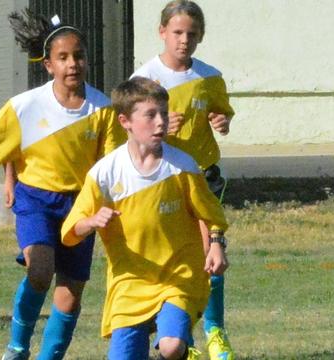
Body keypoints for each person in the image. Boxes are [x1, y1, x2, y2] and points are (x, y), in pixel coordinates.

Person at [0, 8, 125, 360]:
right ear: (48, 65)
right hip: (35, 199)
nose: (73, 63)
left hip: (80, 205)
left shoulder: (102, 110)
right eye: (63, 57)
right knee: (40, 270)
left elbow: (112, 166)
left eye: (79, 56)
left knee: (70, 293)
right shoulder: (25, 106)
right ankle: (17, 346)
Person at [61, 76, 229, 360]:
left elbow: (211, 213)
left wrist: (215, 244)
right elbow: (70, 230)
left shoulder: (182, 167)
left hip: (178, 275)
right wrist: (92, 221)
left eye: (163, 113)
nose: (161, 121)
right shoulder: (105, 172)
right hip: (130, 282)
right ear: (125, 121)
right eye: (150, 115)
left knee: (172, 345)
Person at [127, 2, 236, 357]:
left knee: (212, 253)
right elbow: (130, 136)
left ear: (200, 36)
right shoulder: (145, 79)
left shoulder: (209, 77)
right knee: (174, 258)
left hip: (204, 177)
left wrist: (222, 122)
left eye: (191, 34)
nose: (184, 40)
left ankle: (215, 331)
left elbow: (221, 112)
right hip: (163, 181)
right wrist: (161, 132)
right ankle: (179, 333)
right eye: (177, 32)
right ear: (162, 33)